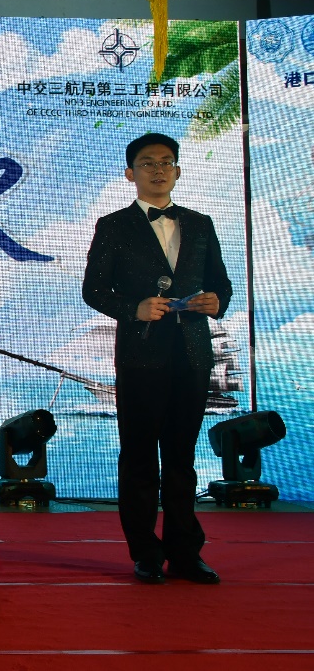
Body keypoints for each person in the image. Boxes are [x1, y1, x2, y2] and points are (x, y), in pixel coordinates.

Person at [83, 132, 231, 585]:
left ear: (178, 171)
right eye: (147, 163)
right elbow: (94, 290)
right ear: (131, 173)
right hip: (140, 355)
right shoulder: (113, 225)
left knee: (182, 459)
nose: (158, 169)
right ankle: (146, 552)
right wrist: (135, 308)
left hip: (193, 354)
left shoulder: (201, 224)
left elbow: (221, 285)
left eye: (166, 162)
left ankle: (186, 553)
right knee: (140, 458)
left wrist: (216, 302)